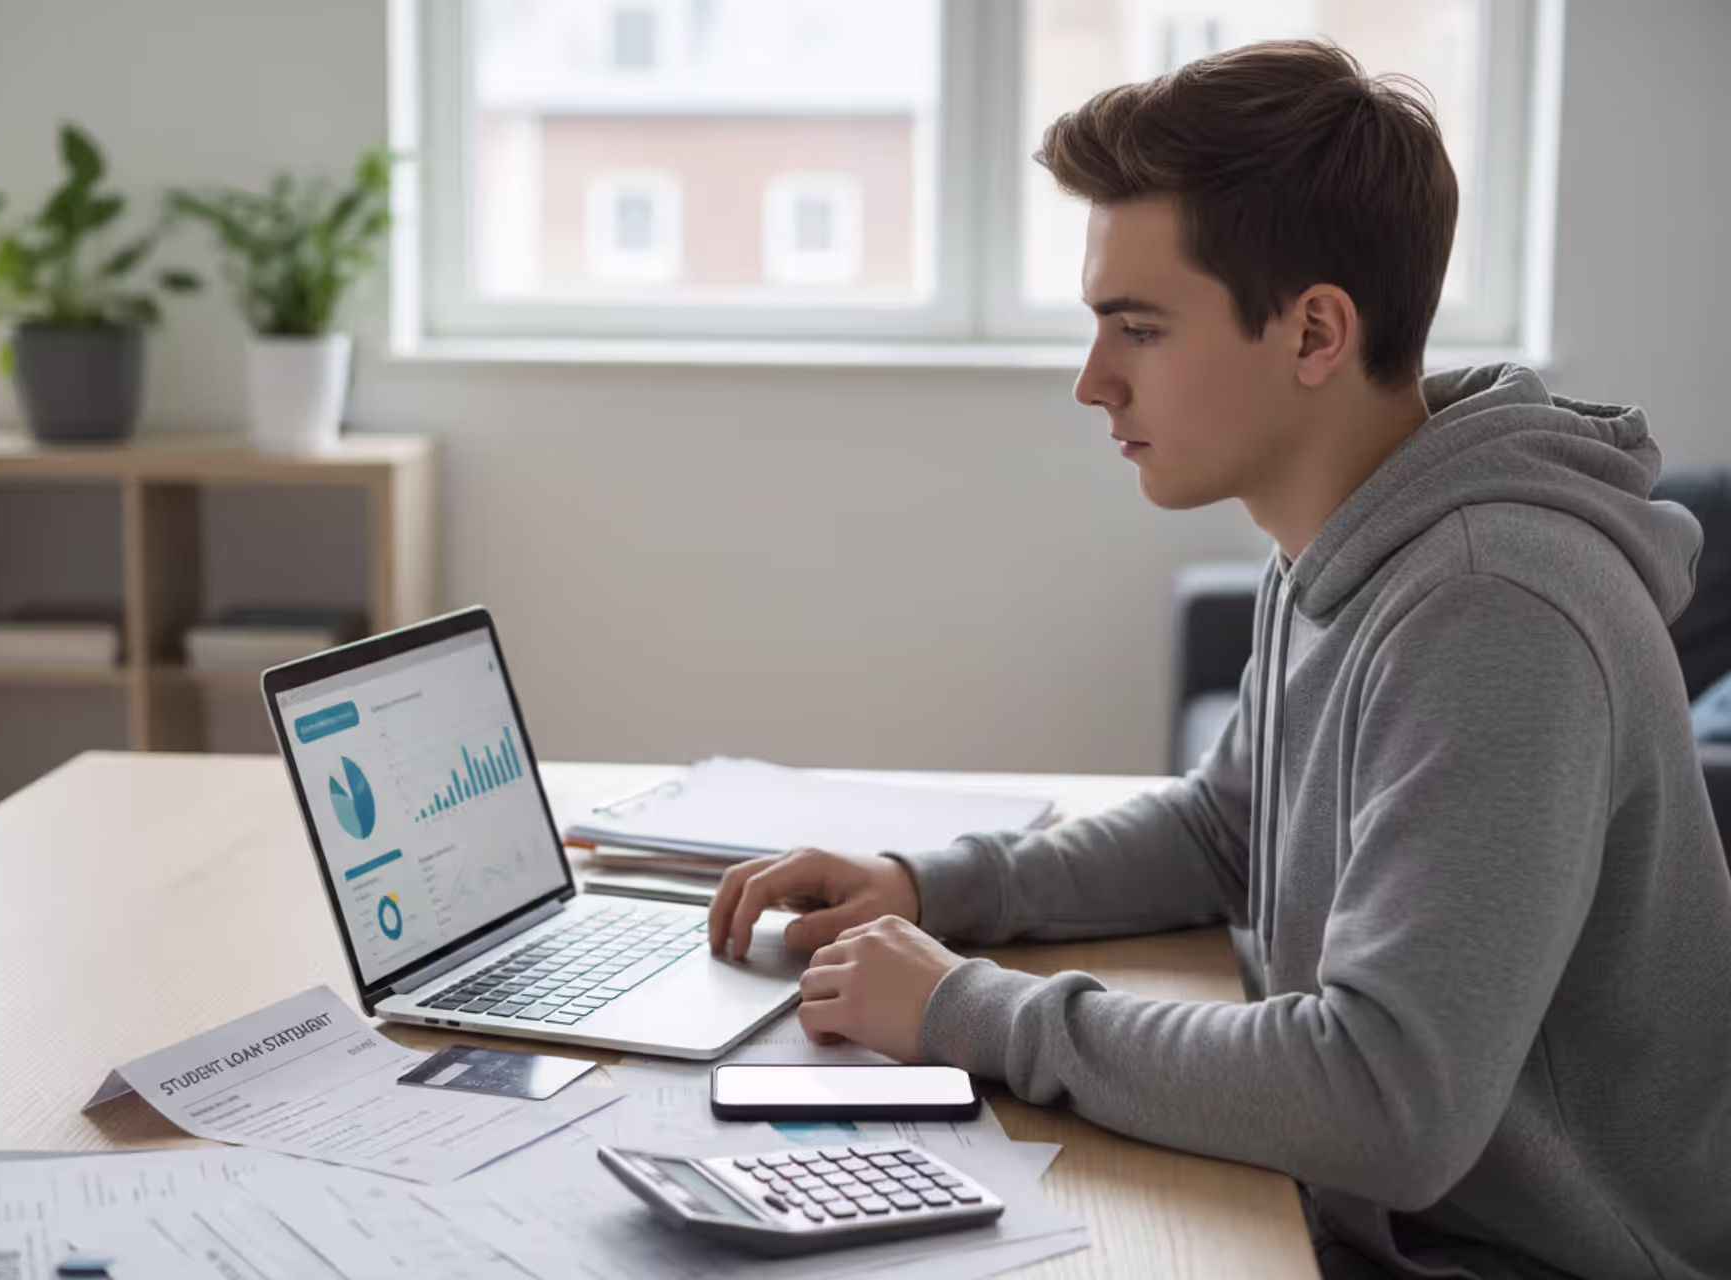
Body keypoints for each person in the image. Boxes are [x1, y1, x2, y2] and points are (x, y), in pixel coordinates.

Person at [706, 39, 1731, 1280]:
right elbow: (1225, 828)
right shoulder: (1342, 537)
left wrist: (965, 1008)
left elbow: (1385, 1101)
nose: (1093, 383)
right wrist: (928, 887)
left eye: (1138, 328)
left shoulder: (1493, 606)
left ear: (1314, 331)